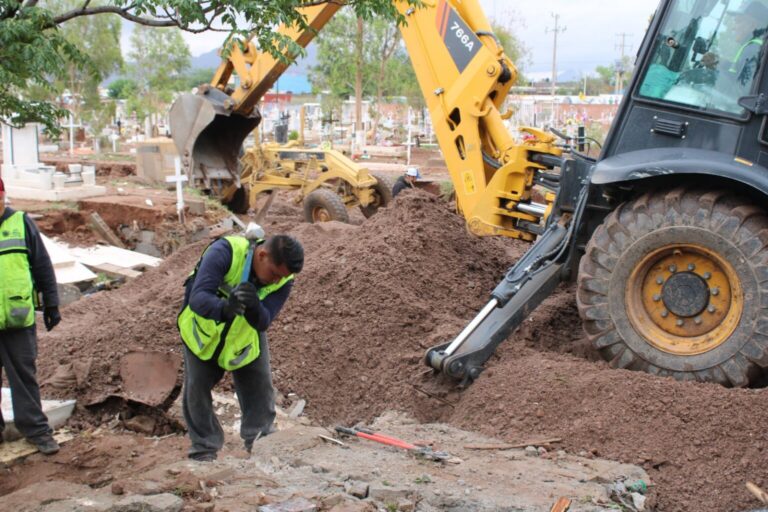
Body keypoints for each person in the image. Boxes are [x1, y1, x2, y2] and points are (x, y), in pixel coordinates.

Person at [177, 232, 304, 462]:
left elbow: (265, 320)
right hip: (203, 333)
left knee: (259, 387)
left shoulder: (285, 279)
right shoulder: (225, 252)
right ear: (262, 254)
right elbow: (198, 298)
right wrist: (225, 307)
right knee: (197, 389)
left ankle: (261, 442)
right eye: (274, 274)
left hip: (244, 337)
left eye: (281, 277)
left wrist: (255, 307)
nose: (276, 281)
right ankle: (204, 450)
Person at [0, 176, 62, 455]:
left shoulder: (20, 224)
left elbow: (42, 266)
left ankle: (37, 431)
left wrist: (51, 304)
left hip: (17, 319)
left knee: (24, 376)